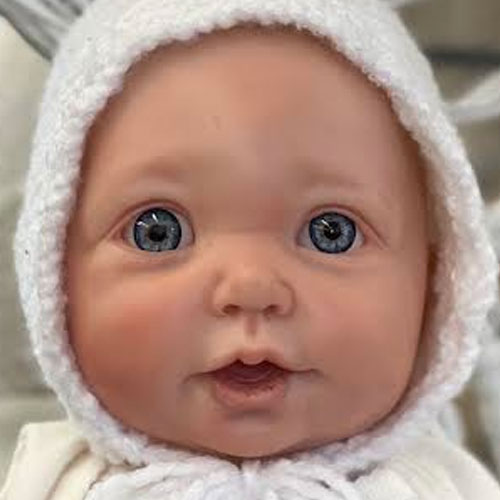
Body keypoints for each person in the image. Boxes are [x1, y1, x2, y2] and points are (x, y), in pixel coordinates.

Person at [2, 0, 500, 498]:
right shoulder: (49, 482)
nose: (251, 287)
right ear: (54, 275)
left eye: (332, 232)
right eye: (158, 231)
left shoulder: (445, 487)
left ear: (435, 281)